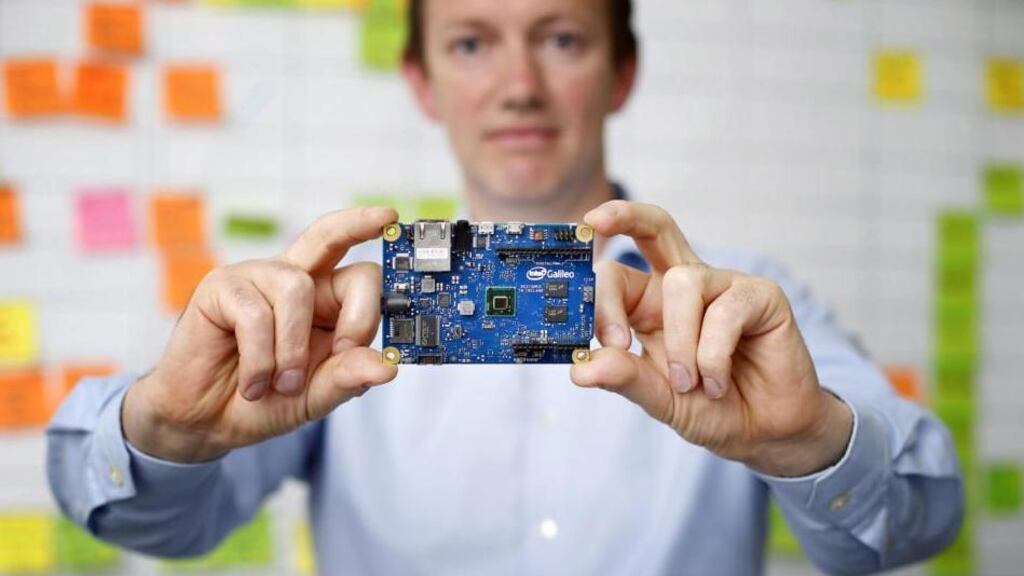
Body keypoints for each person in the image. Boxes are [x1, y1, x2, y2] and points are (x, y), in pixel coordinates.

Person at [47, 0, 964, 574]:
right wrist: (161, 435)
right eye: (474, 42)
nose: (519, 86)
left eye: (561, 38)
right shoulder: (327, 317)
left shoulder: (752, 310)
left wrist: (811, 444)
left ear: (622, 72)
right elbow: (153, 525)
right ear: (423, 81)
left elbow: (922, 514)